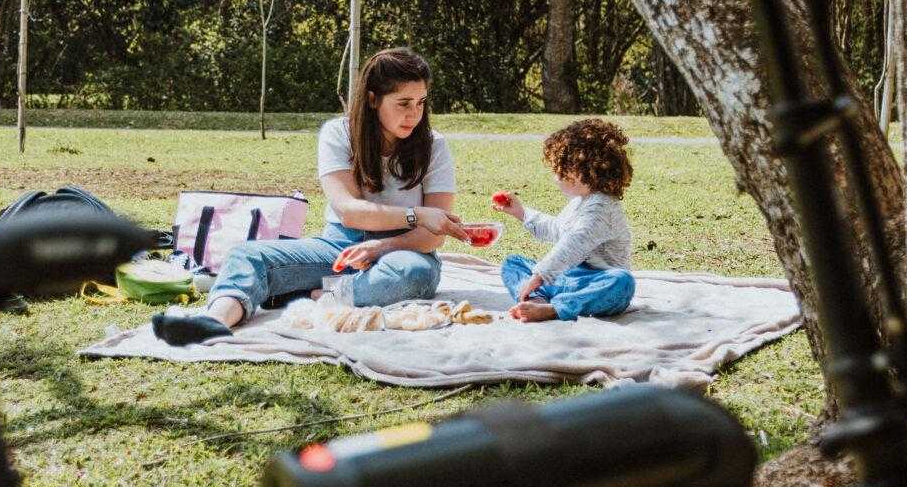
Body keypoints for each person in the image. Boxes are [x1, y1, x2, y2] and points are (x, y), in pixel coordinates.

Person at [153, 47, 469, 345]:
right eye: (403, 103)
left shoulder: (433, 145)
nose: (414, 114)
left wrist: (383, 246)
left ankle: (317, 294)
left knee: (412, 275)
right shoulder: (339, 133)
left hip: (404, 251)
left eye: (421, 102)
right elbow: (349, 211)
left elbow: (432, 236)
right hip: (340, 245)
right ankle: (215, 322)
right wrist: (416, 215)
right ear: (373, 99)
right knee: (248, 255)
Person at [493, 118, 636, 323]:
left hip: (596, 282)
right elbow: (557, 230)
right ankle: (538, 299)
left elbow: (573, 244)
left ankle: (556, 308)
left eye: (557, 171)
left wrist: (540, 275)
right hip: (567, 278)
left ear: (576, 172)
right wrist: (521, 213)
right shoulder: (580, 201)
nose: (555, 177)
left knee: (623, 282)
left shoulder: (602, 208)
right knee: (513, 263)